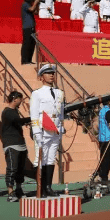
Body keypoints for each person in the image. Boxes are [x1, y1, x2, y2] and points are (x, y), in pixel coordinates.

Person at [29, 64, 65, 197]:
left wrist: (61, 126)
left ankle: (48, 186)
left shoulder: (59, 93)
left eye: (53, 73)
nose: (51, 75)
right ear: (41, 77)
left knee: (51, 158)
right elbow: (34, 114)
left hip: (55, 129)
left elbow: (60, 112)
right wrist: (36, 132)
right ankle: (41, 187)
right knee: (40, 159)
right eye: (48, 73)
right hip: (43, 130)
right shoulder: (37, 94)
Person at [0, 91, 32, 202]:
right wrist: (32, 118)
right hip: (11, 144)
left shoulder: (14, 111)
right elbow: (18, 121)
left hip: (20, 144)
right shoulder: (7, 112)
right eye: (20, 99)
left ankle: (19, 189)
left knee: (20, 169)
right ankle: (10, 192)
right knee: (12, 168)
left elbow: (18, 122)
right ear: (15, 99)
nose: (21, 101)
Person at [93, 98, 110, 184]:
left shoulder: (101, 111)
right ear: (108, 101)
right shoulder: (108, 112)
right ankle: (104, 178)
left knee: (103, 158)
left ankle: (102, 176)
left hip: (103, 138)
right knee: (108, 159)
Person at [20, 0, 39, 65]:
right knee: (27, 43)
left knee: (32, 43)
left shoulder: (29, 5)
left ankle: (29, 59)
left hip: (32, 27)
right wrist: (36, 3)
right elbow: (31, 9)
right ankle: (24, 60)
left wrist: (37, 5)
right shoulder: (25, 4)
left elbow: (35, 12)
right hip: (27, 27)